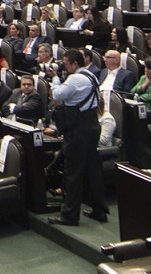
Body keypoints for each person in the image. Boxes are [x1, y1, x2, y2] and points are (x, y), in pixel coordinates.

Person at [48, 48, 109, 224]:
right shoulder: (92, 76)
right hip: (92, 125)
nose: (64, 67)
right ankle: (99, 211)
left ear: (75, 64)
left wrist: (55, 78)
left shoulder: (75, 79)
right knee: (93, 170)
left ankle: (69, 215)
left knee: (72, 172)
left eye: (66, 64)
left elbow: (57, 95)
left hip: (78, 129)